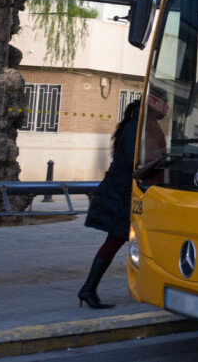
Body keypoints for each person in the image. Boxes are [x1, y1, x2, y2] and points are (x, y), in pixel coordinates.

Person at [79, 100, 141, 309]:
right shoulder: (135, 129)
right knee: (115, 239)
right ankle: (88, 288)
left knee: (116, 240)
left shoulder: (129, 126)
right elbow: (134, 160)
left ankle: (89, 288)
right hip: (123, 193)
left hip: (121, 190)